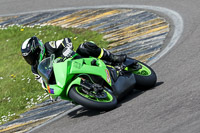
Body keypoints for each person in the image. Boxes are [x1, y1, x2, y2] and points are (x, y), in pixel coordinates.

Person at [21, 36, 127, 86]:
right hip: (65, 77)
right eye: (27, 58)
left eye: (31, 56)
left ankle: (114, 58)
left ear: (38, 49)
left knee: (85, 46)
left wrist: (66, 51)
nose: (31, 60)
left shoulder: (49, 46)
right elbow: (44, 84)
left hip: (75, 60)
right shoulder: (35, 69)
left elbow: (66, 40)